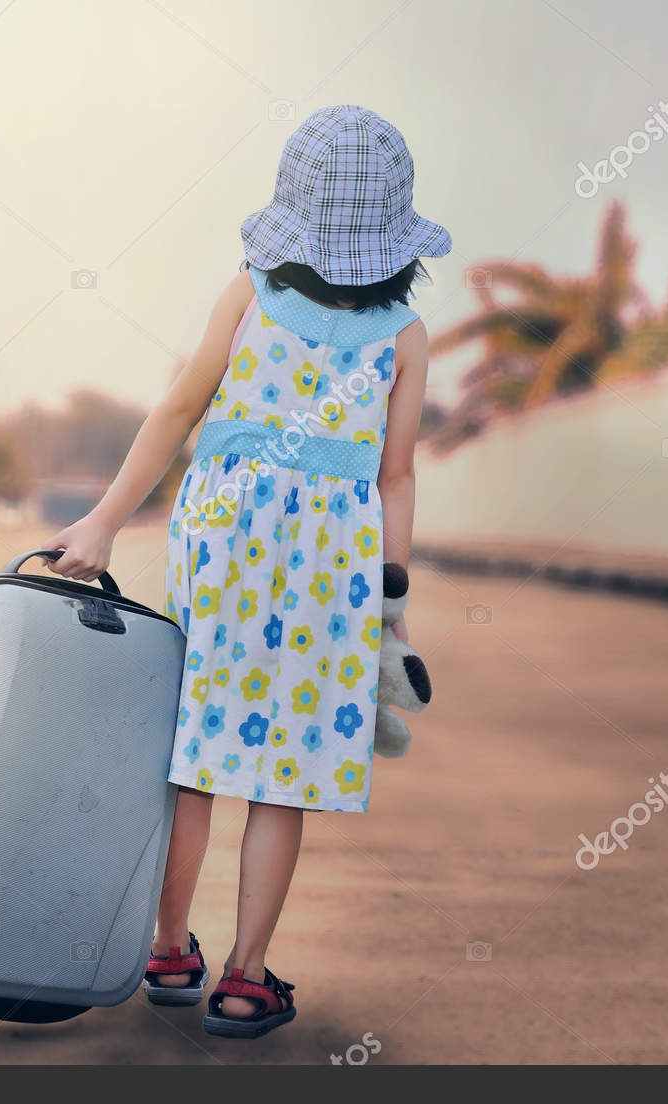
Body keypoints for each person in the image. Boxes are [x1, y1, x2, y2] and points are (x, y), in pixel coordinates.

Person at [45, 104, 450, 1037]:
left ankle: (168, 947)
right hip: (333, 566)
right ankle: (244, 976)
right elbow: (396, 475)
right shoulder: (407, 334)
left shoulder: (250, 293)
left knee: (195, 755)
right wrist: (390, 600)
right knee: (284, 774)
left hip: (224, 545)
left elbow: (177, 412)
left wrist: (106, 520)